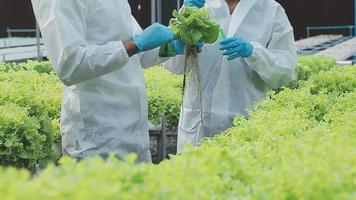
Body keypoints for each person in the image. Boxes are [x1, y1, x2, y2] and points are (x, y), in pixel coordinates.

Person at [31, 0, 176, 162]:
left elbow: (139, 55)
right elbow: (70, 64)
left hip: (135, 135)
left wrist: (173, 45)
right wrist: (135, 44)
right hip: (97, 137)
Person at [165, 0, 297, 152]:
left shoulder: (271, 9)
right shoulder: (198, 5)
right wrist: (182, 37)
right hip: (198, 126)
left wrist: (253, 52)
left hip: (246, 123)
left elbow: (286, 71)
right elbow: (172, 65)